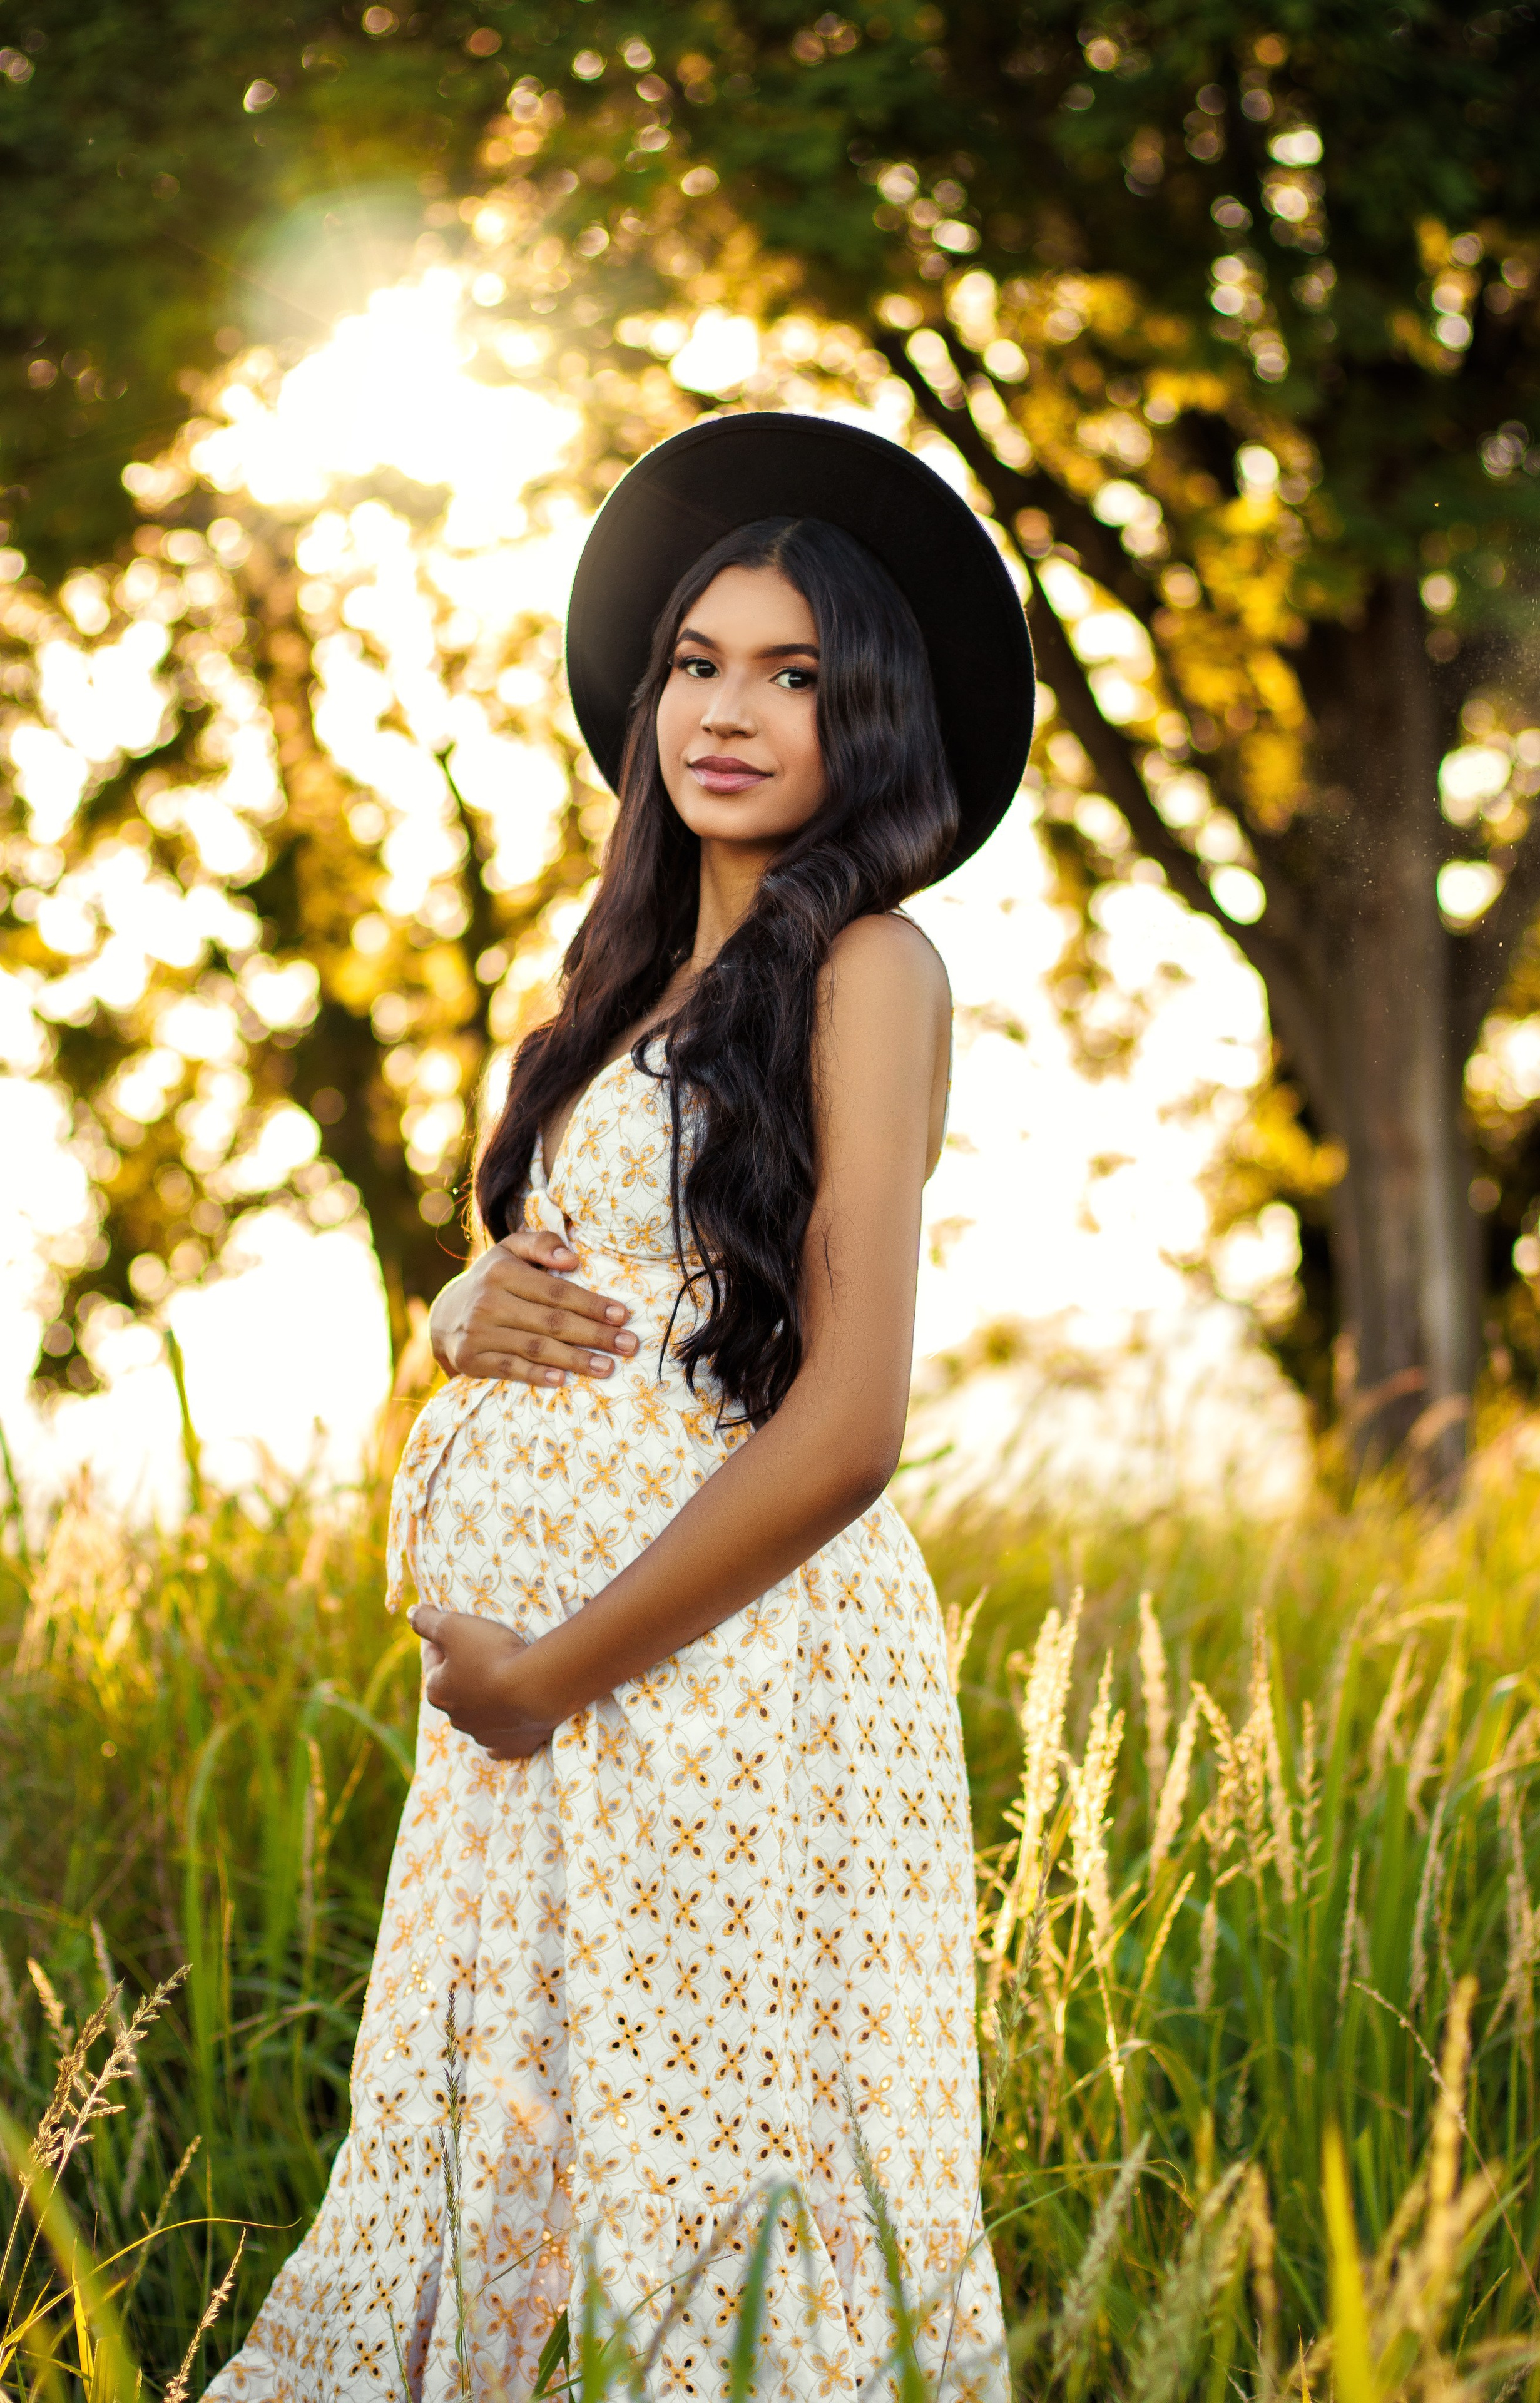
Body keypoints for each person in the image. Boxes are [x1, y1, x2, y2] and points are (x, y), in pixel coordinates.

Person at [208, 413, 1034, 2403]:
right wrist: (449, 1319)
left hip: (728, 1702)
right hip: (558, 1719)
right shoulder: (626, 986)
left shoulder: (875, 967)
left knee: (727, 2240)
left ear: (877, 722)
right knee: (488, 2190)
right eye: (697, 662)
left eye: (796, 676)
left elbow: (846, 1429)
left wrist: (548, 1671)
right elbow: (592, 1308)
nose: (728, 712)